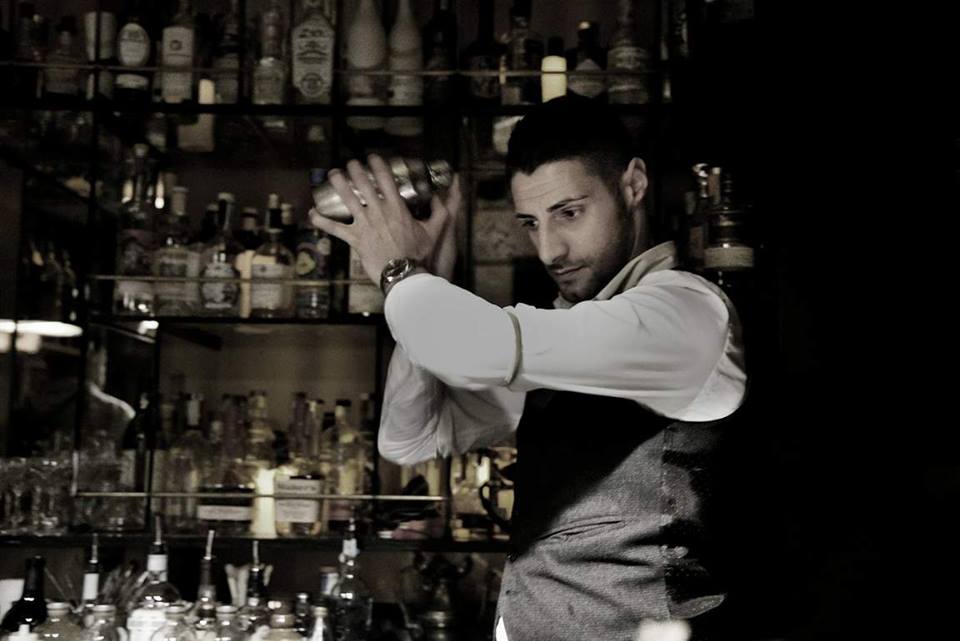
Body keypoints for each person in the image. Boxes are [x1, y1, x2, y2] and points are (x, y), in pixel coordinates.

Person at [309, 95, 747, 641]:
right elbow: (411, 439)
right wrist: (425, 277)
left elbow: (474, 348)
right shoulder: (566, 335)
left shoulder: (685, 314)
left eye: (569, 213)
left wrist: (399, 271)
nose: (548, 250)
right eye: (530, 223)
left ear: (633, 185)